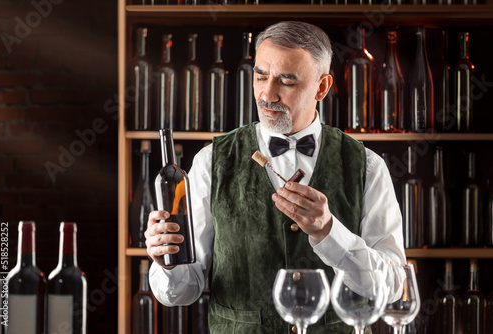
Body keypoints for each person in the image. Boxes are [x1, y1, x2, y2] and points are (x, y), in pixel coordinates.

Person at [145, 21, 406, 333]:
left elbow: (391, 287)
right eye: (260, 76)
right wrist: (166, 263)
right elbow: (186, 289)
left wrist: (329, 232)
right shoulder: (210, 162)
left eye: (287, 81)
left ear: (321, 87)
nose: (267, 95)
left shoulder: (368, 166)